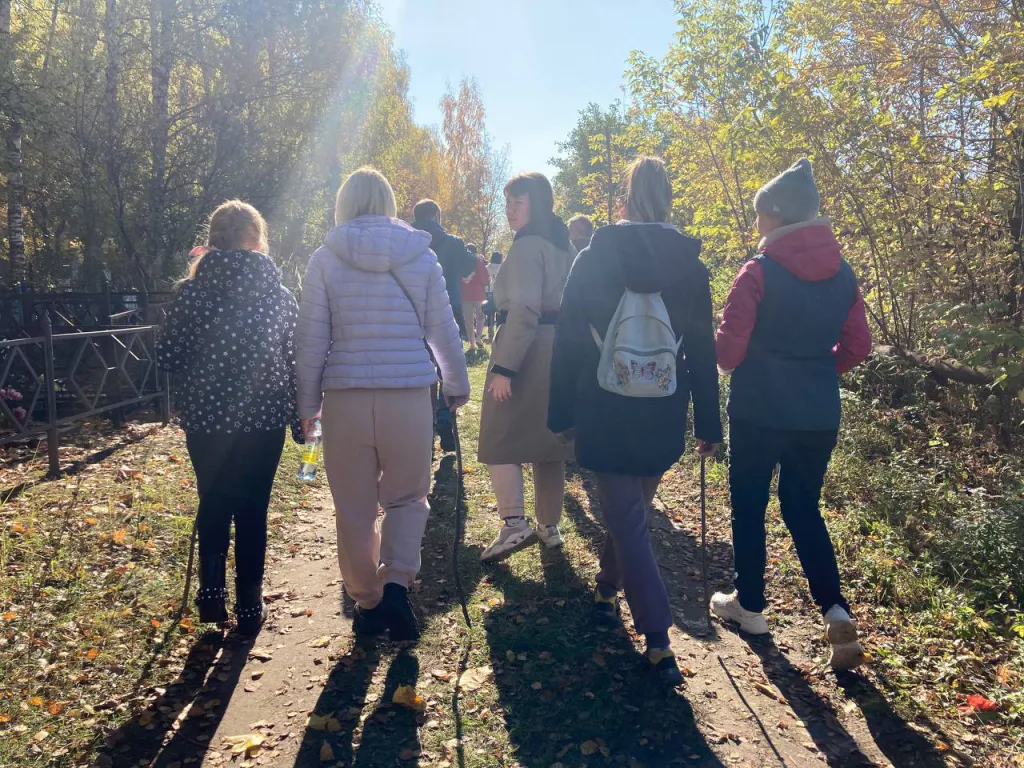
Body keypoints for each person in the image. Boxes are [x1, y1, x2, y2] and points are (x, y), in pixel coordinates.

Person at [548, 157, 721, 684]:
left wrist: (562, 412)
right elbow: (702, 350)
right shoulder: (691, 266)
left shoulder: (593, 258)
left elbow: (568, 338)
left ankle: (658, 637)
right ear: (668, 200)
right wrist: (709, 423)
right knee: (631, 513)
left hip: (604, 406)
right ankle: (608, 589)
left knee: (628, 516)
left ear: (624, 200)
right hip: (663, 408)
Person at [711, 158, 872, 671]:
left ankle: (751, 607)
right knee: (803, 507)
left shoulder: (758, 271)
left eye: (760, 213)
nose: (756, 222)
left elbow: (728, 352)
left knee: (749, 506)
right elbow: (858, 346)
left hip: (758, 410)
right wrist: (817, 371)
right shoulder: (843, 274)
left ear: (778, 216)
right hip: (818, 413)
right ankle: (835, 608)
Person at [296, 168, 470, 641]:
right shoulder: (421, 256)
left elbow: (311, 340)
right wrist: (456, 383)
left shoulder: (324, 259)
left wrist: (308, 405)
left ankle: (367, 600)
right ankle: (396, 582)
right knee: (408, 496)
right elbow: (443, 329)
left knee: (353, 507)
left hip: (346, 398)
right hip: (409, 395)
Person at [156, 200, 300, 636]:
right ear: (258, 240)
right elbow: (295, 360)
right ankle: (251, 604)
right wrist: (301, 418)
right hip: (263, 418)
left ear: (214, 239)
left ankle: (212, 594)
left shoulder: (191, 294)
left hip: (207, 419)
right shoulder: (279, 297)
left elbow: (166, 356)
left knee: (214, 499)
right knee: (254, 507)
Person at [478, 173, 575, 562]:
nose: (509, 211)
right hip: (560, 348)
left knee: (497, 436)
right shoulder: (564, 244)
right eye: (507, 203)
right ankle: (548, 525)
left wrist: (505, 367)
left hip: (527, 349)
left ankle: (514, 523)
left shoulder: (527, 245)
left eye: (517, 202)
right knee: (550, 442)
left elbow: (523, 309)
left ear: (537, 203)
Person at [412, 199, 476, 451]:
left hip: (415, 313)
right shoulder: (453, 242)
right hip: (448, 310)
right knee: (446, 365)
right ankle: (444, 415)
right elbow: (469, 267)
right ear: (437, 216)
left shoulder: (407, 241)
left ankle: (424, 427)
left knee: (422, 368)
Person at [461, 244, 490, 351]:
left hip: (465, 295)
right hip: (479, 294)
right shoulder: (479, 263)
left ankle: (472, 344)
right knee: (480, 317)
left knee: (468, 320)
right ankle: (478, 338)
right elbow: (485, 281)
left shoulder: (460, 263)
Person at [484, 252, 503, 342]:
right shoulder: (503, 268)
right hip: (500, 292)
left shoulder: (486, 268)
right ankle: (499, 332)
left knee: (490, 313)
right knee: (499, 312)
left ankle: (490, 333)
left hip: (488, 292)